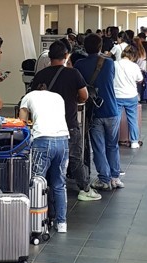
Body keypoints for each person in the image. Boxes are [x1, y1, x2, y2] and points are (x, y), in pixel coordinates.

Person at [31, 40, 101, 202]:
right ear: (65, 56)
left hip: (44, 125)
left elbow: (33, 98)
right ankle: (84, 189)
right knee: (75, 158)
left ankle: (41, 189)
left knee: (43, 159)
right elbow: (84, 96)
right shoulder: (73, 73)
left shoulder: (40, 75)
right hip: (67, 124)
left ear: (49, 56)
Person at [19, 83, 70, 233]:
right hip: (63, 139)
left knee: (37, 183)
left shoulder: (28, 97)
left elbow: (21, 123)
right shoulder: (58, 97)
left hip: (42, 139)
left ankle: (37, 225)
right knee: (59, 184)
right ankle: (62, 223)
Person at [75, 33, 123, 190]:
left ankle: (104, 178)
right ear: (100, 46)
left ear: (84, 47)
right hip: (112, 109)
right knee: (113, 145)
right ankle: (115, 178)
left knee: (98, 147)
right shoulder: (109, 63)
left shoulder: (80, 65)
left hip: (95, 111)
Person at [114, 45, 143, 149]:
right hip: (131, 95)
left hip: (117, 95)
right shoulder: (134, 66)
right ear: (133, 55)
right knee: (132, 119)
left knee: (115, 119)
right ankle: (134, 141)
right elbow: (140, 79)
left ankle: (113, 140)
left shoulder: (114, 64)